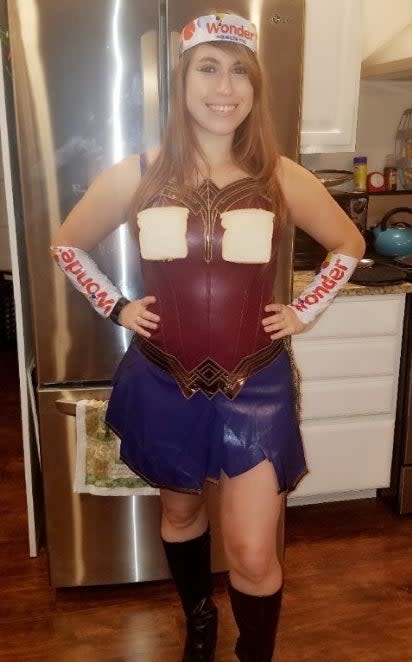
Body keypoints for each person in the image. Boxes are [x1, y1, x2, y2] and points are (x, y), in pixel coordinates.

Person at [51, 11, 365, 662]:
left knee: (253, 551)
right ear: (182, 80)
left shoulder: (281, 175)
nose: (226, 87)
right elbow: (67, 245)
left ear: (255, 88)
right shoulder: (139, 170)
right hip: (165, 377)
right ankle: (199, 619)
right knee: (181, 515)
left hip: (259, 383)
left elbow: (348, 243)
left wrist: (304, 308)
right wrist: (116, 305)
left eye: (240, 71)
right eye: (209, 68)